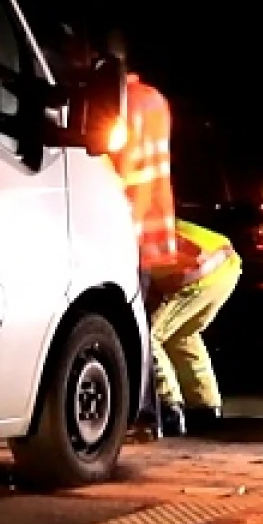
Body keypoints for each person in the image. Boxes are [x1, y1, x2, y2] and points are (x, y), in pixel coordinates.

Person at [103, 30, 182, 435]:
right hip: (152, 228)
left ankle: (145, 415)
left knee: (123, 328)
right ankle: (150, 416)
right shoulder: (155, 101)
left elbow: (115, 165)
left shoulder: (116, 106)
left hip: (121, 225)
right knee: (140, 326)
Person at [148, 219, 244, 435]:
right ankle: (205, 408)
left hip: (201, 274)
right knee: (182, 335)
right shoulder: (149, 222)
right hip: (226, 269)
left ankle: (168, 408)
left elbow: (192, 261)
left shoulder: (132, 236)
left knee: (148, 336)